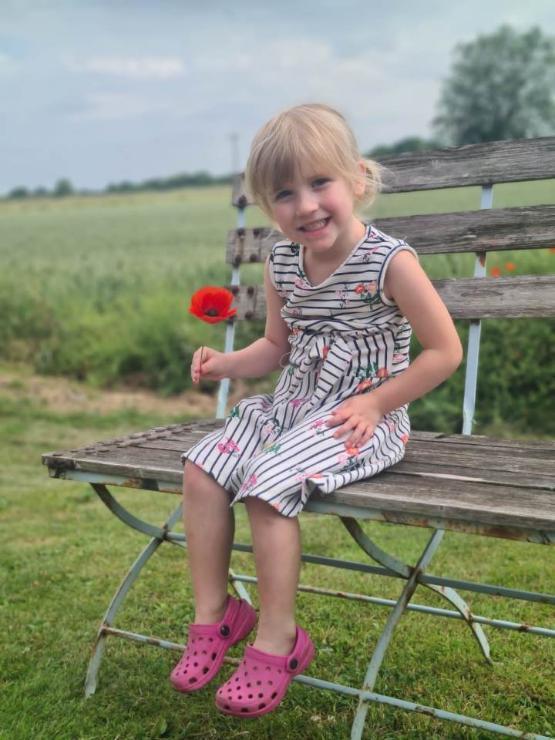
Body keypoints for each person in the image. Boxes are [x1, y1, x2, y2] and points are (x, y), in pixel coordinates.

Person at [170, 103, 463, 718]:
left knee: (265, 487)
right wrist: (227, 365)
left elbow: (444, 352)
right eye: (283, 193)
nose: (304, 206)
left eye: (319, 183)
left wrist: (378, 402)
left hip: (359, 420)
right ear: (267, 205)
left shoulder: (390, 263)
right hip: (291, 408)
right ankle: (217, 616)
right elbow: (276, 347)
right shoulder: (281, 262)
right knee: (202, 469)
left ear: (357, 179)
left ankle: (279, 639)